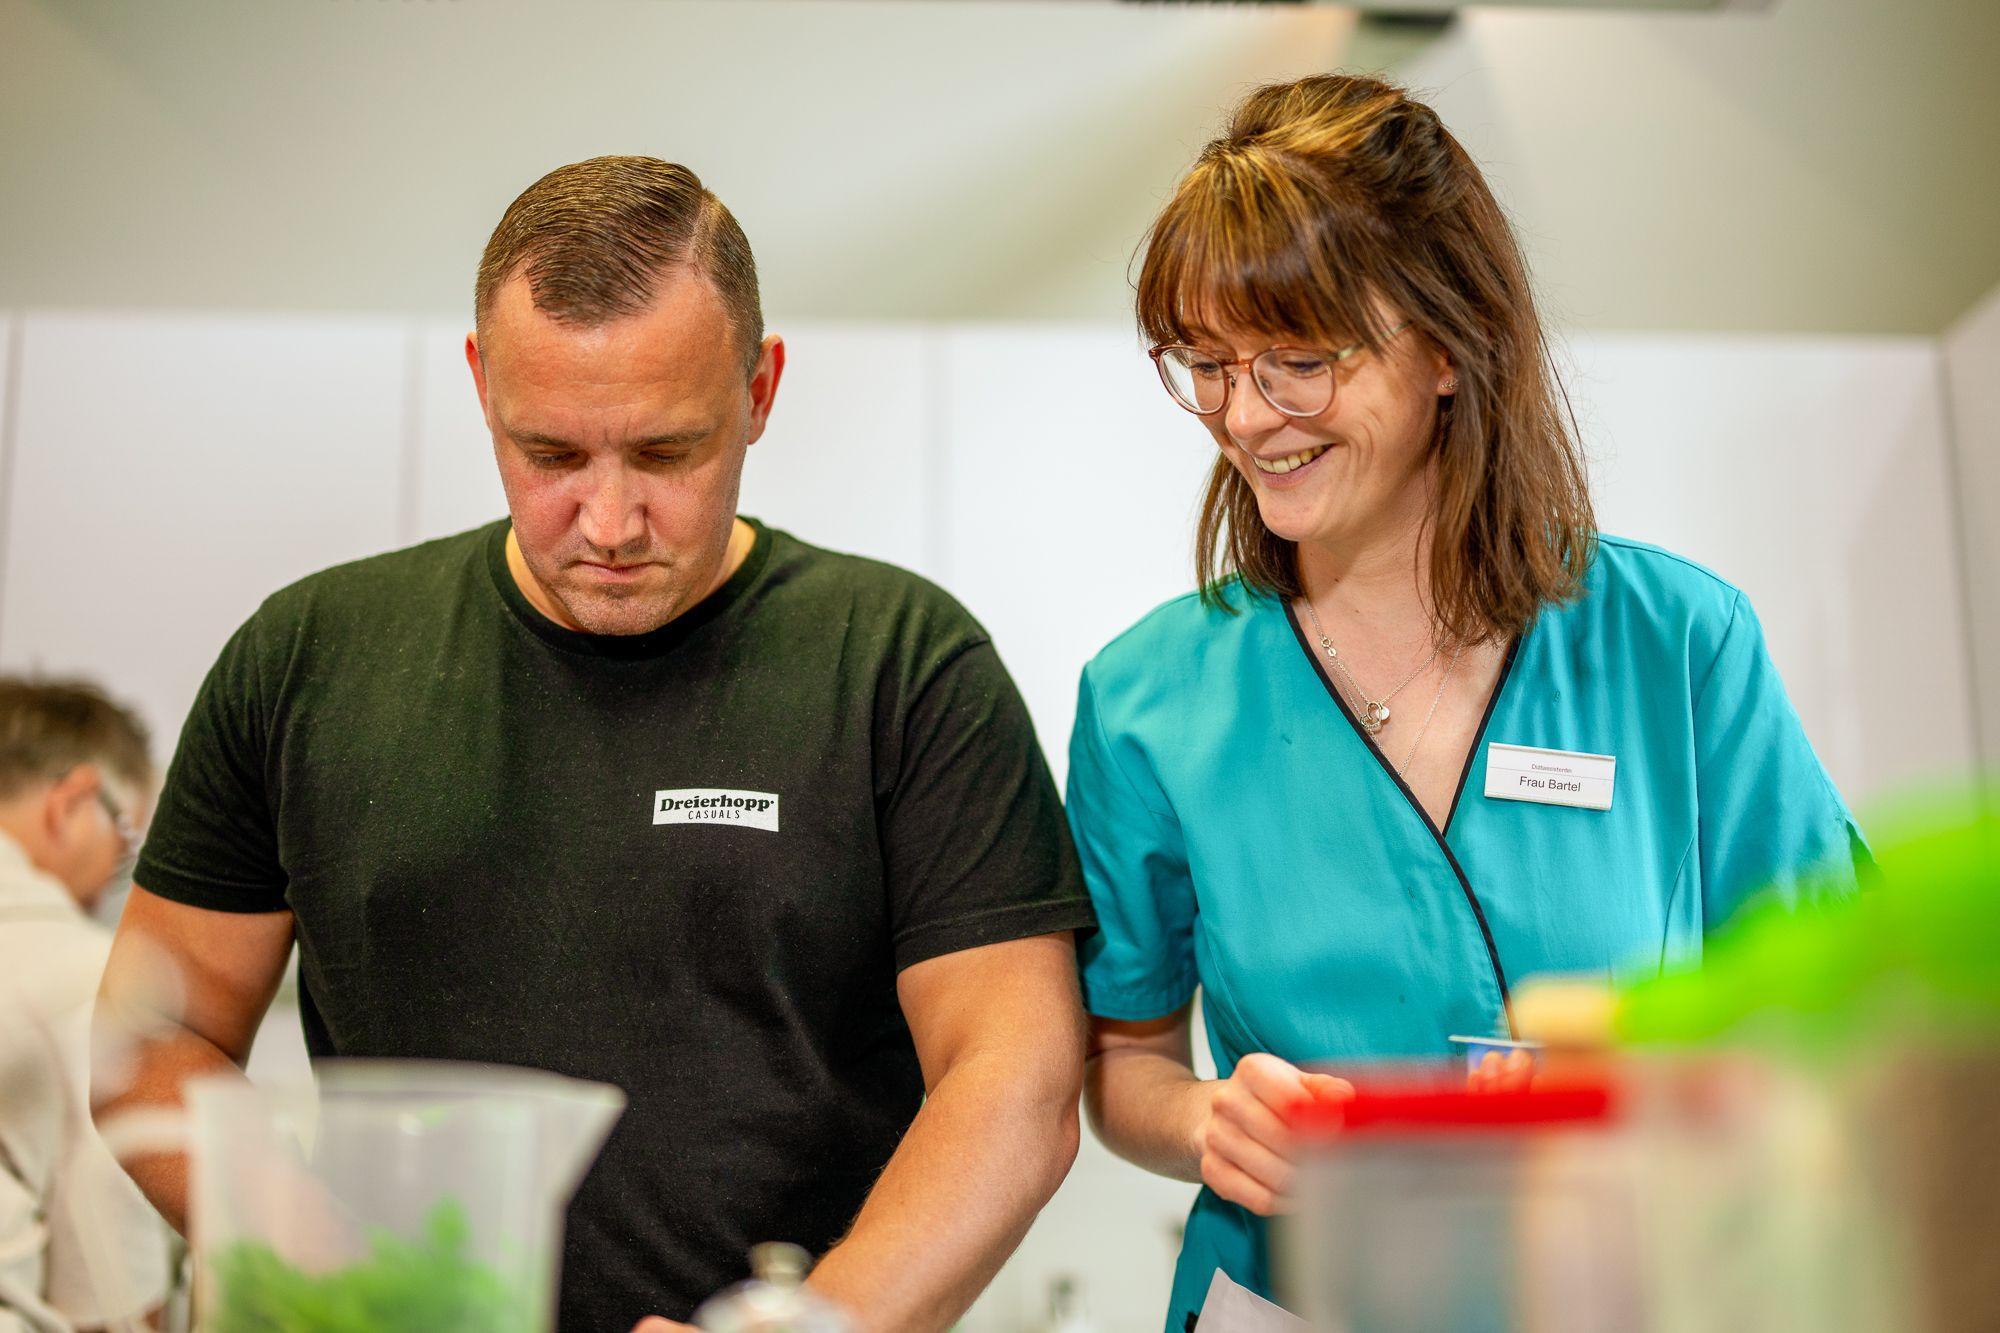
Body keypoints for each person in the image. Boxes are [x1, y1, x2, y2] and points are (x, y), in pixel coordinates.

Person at [92, 156, 1095, 1332]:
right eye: (552, 455)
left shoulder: (900, 663)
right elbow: (151, 1033)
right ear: (480, 385)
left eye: (668, 454)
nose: (609, 524)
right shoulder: (309, 654)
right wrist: (349, 1268)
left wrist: (815, 1323)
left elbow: (1013, 1078)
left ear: (760, 389)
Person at [1066, 75, 1870, 1329]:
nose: (1242, 416)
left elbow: (1841, 1010)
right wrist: (1205, 1118)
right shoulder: (1146, 703)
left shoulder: (1673, 647)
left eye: (1297, 359)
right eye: (1206, 365)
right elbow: (1123, 1063)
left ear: (1447, 344)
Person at [0, 677, 171, 1332]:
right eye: (127, 841)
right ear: (70, 802)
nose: (113, 880)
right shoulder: (85, 976)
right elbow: (114, 1297)